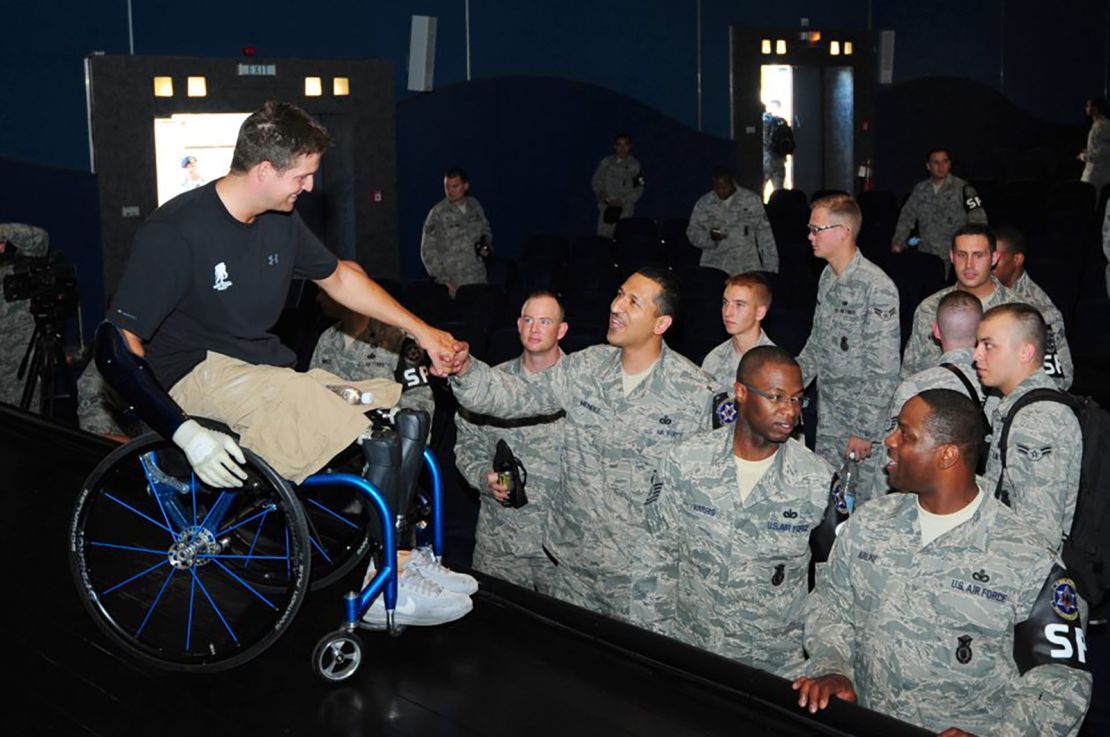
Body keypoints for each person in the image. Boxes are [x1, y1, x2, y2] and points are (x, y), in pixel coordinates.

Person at [105, 101, 470, 626]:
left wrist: (424, 331)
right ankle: (381, 580)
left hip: (258, 372)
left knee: (396, 417)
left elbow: (341, 278)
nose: (310, 186)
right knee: (333, 417)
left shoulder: (281, 221)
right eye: (303, 175)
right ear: (263, 171)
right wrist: (182, 433)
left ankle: (406, 560)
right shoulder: (176, 232)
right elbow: (115, 344)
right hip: (192, 376)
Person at [795, 389, 1092, 736]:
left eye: (905, 434)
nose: (889, 441)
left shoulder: (1027, 557)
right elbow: (831, 607)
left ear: (947, 455)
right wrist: (834, 668)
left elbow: (1061, 680)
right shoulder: (871, 523)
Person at [449, 267, 716, 625]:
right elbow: (515, 394)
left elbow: (706, 488)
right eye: (619, 293)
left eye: (633, 301)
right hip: (573, 570)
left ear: (660, 324)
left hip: (641, 581)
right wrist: (465, 370)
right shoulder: (585, 367)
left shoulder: (695, 391)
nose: (617, 306)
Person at [649, 346, 832, 676]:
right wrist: (653, 646)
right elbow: (655, 556)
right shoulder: (686, 461)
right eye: (776, 397)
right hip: (690, 652)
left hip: (773, 668)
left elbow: (832, 585)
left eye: (796, 399)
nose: (789, 411)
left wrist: (826, 664)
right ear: (741, 393)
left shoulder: (816, 480)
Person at [454, 292, 568, 590]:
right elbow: (467, 445)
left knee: (558, 633)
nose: (535, 329)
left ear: (562, 330)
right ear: (518, 325)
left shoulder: (581, 388)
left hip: (557, 545)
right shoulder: (490, 385)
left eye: (545, 321)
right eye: (528, 320)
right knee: (494, 631)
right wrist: (483, 477)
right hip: (500, 538)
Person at [796, 194, 900, 478]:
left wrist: (864, 430)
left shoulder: (877, 287)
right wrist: (788, 389)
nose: (810, 236)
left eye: (816, 229)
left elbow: (884, 368)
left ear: (843, 232)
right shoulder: (828, 277)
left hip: (860, 423)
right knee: (829, 501)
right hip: (829, 415)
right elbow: (816, 346)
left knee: (859, 505)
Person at [902, 223, 1072, 391]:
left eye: (978, 256)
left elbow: (1057, 381)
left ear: (994, 258)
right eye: (962, 255)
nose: (969, 265)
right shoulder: (930, 309)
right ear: (952, 257)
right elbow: (909, 376)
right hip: (941, 411)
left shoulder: (1025, 313)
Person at [975, 303, 1081, 551]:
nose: (976, 355)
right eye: (978, 344)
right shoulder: (1016, 405)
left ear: (1025, 353)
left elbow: (1038, 536)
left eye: (988, 345)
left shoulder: (1037, 421)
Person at [867, 290, 984, 502]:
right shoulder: (996, 384)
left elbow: (893, 453)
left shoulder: (915, 387)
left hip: (928, 499)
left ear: (936, 331)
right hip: (975, 497)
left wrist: (876, 504)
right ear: (981, 331)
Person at [309, 261, 434, 418]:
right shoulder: (327, 338)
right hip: (333, 434)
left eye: (324, 291)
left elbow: (420, 402)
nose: (318, 298)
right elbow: (312, 391)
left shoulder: (398, 339)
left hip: (381, 435)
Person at [993, 226, 1074, 389]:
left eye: (997, 258)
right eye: (986, 256)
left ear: (1017, 260)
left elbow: (1058, 379)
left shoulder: (1038, 310)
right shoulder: (978, 293)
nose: (989, 264)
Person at [891, 148, 988, 267]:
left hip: (954, 257)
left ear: (949, 164)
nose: (941, 166)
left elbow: (979, 222)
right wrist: (899, 241)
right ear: (928, 166)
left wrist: (974, 250)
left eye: (945, 162)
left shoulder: (964, 189)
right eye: (936, 163)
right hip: (926, 254)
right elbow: (907, 217)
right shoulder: (920, 189)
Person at [687, 167, 778, 275]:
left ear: (733, 182)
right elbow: (692, 233)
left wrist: (770, 269)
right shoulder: (704, 203)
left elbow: (765, 236)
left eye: (725, 187)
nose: (721, 191)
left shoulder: (751, 201)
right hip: (714, 267)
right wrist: (709, 237)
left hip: (746, 267)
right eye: (717, 187)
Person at [700, 271, 775, 395]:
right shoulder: (714, 359)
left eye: (739, 305)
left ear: (760, 313)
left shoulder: (775, 365)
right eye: (725, 303)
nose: (728, 312)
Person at [420, 166, 492, 296]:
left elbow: (486, 231)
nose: (450, 191)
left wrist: (486, 246)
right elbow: (427, 251)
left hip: (477, 277)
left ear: (465, 186)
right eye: (447, 186)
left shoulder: (474, 206)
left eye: (455, 186)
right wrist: (443, 280)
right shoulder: (438, 213)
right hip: (453, 282)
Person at [0, 223, 49, 408]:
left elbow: (40, 239)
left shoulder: (17, 272)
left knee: (25, 431)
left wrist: (3, 232)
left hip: (19, 372)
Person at [591, 133, 643, 238]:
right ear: (615, 147)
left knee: (623, 239)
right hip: (607, 208)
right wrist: (600, 193)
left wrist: (623, 201)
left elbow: (639, 188)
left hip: (625, 209)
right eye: (619, 145)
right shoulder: (606, 162)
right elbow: (597, 180)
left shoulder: (634, 165)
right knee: (604, 240)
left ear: (630, 146)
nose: (622, 148)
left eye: (625, 145)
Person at [1079, 96, 1110, 200]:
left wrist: (1085, 156)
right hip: (1094, 173)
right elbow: (1097, 146)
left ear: (1095, 108)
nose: (1086, 108)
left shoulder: (1103, 126)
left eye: (1088, 106)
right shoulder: (1097, 124)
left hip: (1098, 175)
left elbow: (1104, 151)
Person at [762, 100, 791, 192]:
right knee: (779, 191)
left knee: (759, 192)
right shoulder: (782, 122)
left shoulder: (764, 122)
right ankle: (779, 205)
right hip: (779, 160)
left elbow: (764, 141)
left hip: (765, 160)